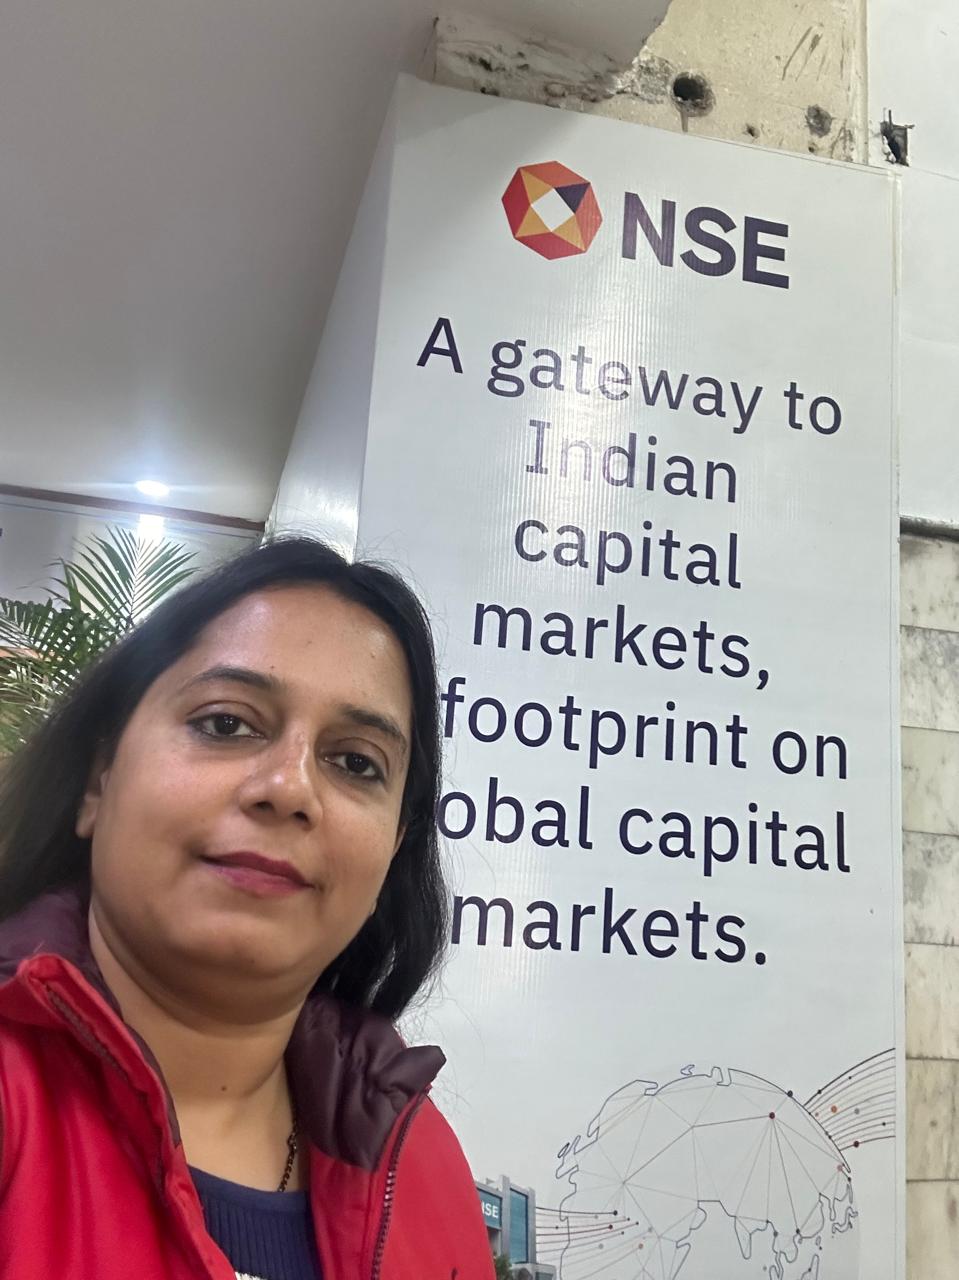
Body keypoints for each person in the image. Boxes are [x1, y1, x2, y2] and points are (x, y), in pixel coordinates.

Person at [0, 536, 494, 1280]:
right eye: (226, 723)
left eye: (355, 762)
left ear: (393, 850)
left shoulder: (419, 1163)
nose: (289, 788)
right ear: (99, 780)